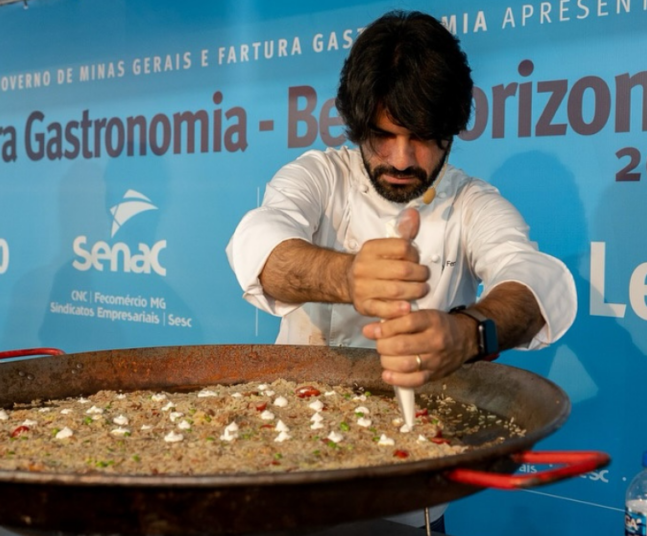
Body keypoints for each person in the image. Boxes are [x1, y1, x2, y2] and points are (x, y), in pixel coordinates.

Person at [226, 10, 577, 531]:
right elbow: (259, 243)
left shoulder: (471, 202)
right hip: (291, 471)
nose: (402, 159)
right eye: (382, 136)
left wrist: (468, 333)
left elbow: (535, 281)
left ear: (453, 132)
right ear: (355, 123)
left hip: (410, 496)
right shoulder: (321, 177)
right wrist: (346, 276)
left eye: (424, 137)